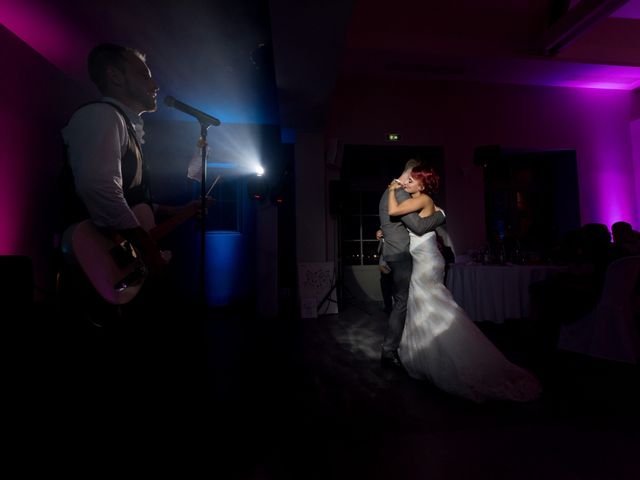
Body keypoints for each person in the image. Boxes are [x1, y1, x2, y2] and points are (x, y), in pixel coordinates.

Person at [56, 43, 208, 400]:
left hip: (122, 258)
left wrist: (171, 211)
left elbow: (129, 197)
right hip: (98, 260)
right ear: (115, 75)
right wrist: (143, 244)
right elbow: (98, 188)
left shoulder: (122, 124)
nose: (155, 83)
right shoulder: (101, 117)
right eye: (144, 73)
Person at [387, 165, 541, 402]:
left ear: (423, 185)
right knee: (426, 305)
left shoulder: (424, 199)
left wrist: (391, 190)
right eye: (407, 181)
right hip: (426, 259)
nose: (406, 183)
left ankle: (447, 356)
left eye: (412, 181)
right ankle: (427, 354)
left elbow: (394, 211)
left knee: (432, 305)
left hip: (426, 262)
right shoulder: (426, 202)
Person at [378, 159, 446, 369]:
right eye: (410, 178)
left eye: (412, 181)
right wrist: (441, 216)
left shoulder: (398, 191)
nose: (408, 184)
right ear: (408, 174)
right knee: (403, 304)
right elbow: (418, 225)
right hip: (402, 255)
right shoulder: (399, 192)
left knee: (412, 301)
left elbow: (390, 227)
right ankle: (391, 351)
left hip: (409, 254)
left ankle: (414, 346)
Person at [376, 229, 393, 314]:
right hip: (384, 270)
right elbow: (379, 252)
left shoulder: (395, 238)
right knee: (386, 292)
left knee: (395, 292)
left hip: (394, 269)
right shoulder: (383, 239)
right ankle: (388, 308)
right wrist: (380, 239)